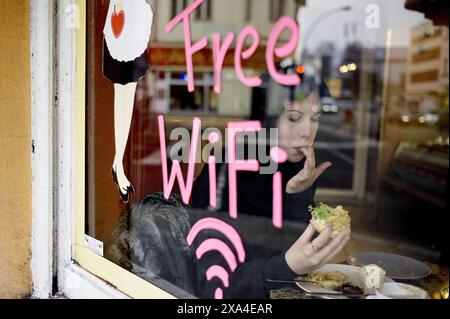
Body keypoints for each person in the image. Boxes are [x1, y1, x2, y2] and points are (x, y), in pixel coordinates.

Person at [191, 64, 351, 298]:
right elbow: (211, 286)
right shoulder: (225, 171)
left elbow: (297, 255)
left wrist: (297, 194)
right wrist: (285, 266)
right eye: (295, 117)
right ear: (266, 119)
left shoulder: (297, 169)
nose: (308, 131)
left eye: (314, 118)